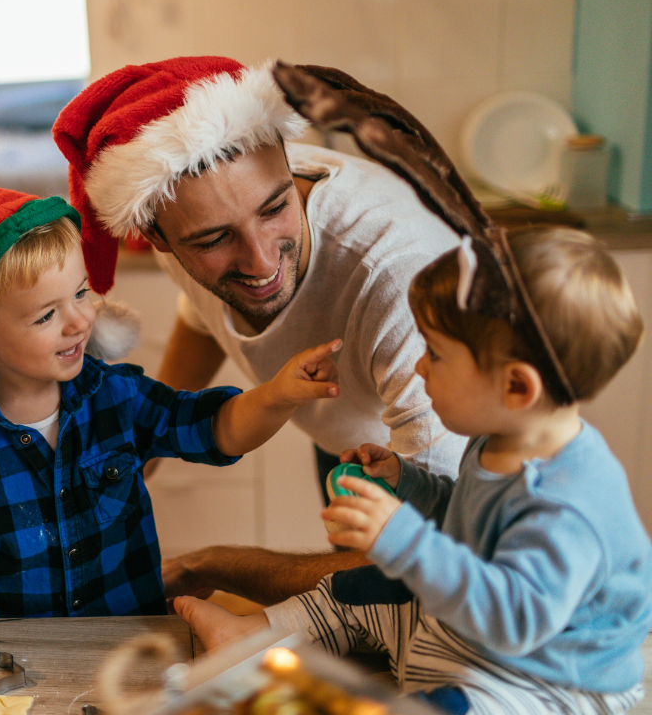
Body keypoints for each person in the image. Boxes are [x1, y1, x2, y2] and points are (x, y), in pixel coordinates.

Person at [176, 226, 651, 714]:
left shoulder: (565, 507)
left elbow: (514, 622)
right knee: (361, 587)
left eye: (436, 354)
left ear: (516, 387)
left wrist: (402, 537)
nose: (420, 368)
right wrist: (409, 484)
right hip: (468, 630)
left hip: (545, 675)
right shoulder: (499, 438)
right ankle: (253, 634)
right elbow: (468, 522)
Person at [52, 55, 465, 603]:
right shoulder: (187, 207)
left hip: (452, 466)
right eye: (213, 241)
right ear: (158, 238)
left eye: (275, 208)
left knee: (389, 604)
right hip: (359, 439)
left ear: (288, 167)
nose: (261, 260)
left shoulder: (397, 277)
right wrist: (134, 452)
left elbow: (418, 571)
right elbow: (201, 319)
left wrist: (211, 567)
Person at [0, 180, 341, 618]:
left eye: (81, 293)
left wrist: (279, 395)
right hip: (2, 662)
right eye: (47, 315)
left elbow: (218, 428)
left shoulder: (118, 397)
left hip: (122, 643)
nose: (79, 321)